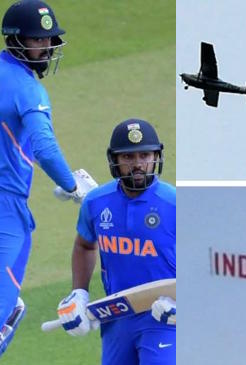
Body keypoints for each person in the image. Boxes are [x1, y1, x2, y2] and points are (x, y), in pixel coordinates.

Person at [0, 0, 90, 356]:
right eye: (41, 40)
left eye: (51, 39)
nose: (49, 46)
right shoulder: (28, 89)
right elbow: (45, 147)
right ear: (18, 39)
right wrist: (72, 186)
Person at [57, 119, 176, 365]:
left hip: (165, 318)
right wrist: (79, 293)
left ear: (156, 157)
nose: (138, 164)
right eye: (128, 158)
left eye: (145, 155)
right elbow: (85, 245)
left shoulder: (175, 204)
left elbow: (210, 259)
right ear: (115, 161)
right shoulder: (96, 202)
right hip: (116, 318)